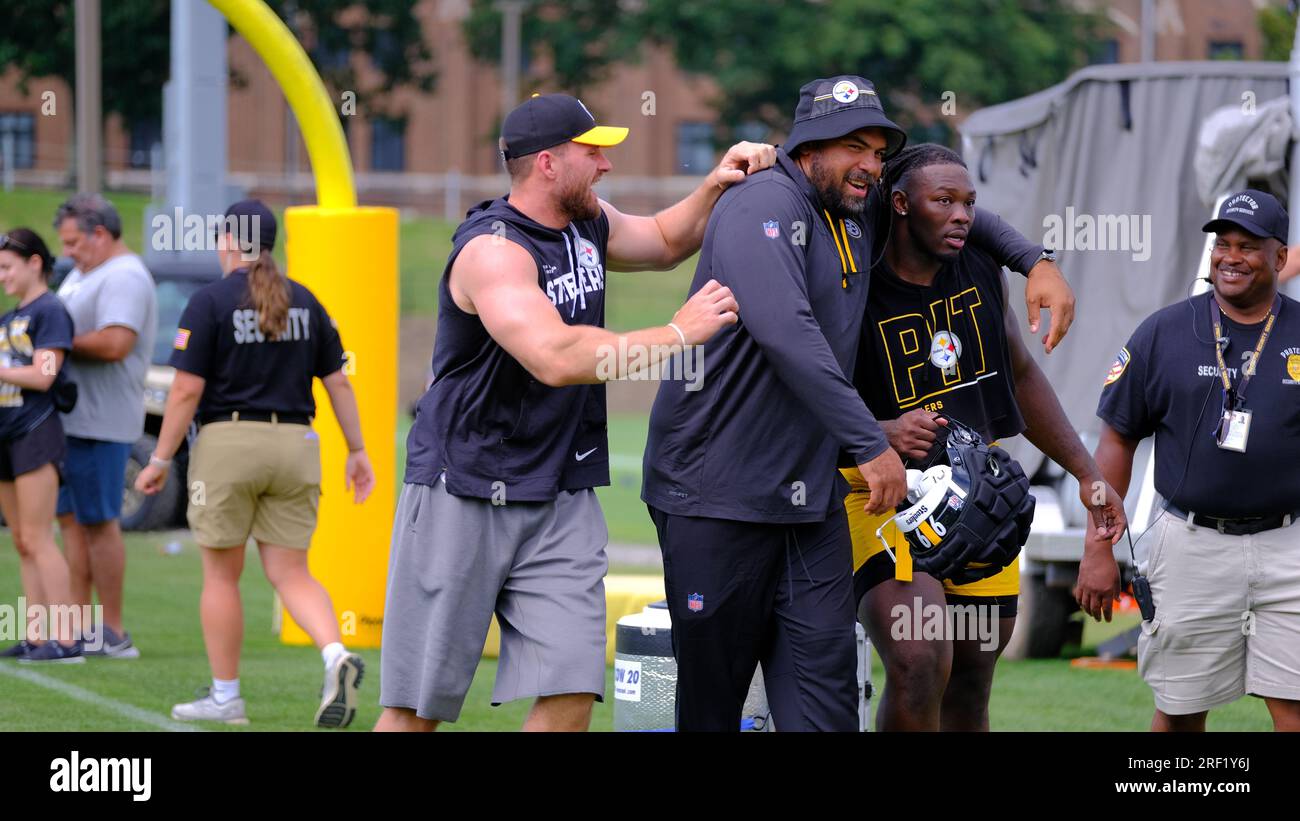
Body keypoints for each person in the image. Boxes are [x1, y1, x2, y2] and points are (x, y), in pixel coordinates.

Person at [640, 77, 1078, 732]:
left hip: (808, 501)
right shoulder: (763, 203)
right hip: (716, 494)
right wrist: (872, 442)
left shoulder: (854, 206)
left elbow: (950, 205)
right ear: (808, 147)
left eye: (878, 151)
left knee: (826, 707)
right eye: (854, 147)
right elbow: (788, 334)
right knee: (713, 704)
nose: (870, 165)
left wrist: (1033, 259)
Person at [375, 93, 767, 732]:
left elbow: (667, 239)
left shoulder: (589, 222)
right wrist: (676, 335)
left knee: (572, 688)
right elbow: (554, 356)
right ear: (548, 164)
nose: (607, 164)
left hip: (560, 491)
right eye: (593, 152)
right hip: (466, 488)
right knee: (417, 710)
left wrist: (716, 184)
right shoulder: (492, 252)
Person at [844, 144, 1125, 731]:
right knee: (921, 658)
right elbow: (811, 387)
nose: (961, 215)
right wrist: (879, 431)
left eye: (969, 203)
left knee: (971, 681)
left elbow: (1020, 376)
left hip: (979, 494)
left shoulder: (978, 266)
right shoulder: (853, 278)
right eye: (942, 202)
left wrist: (1087, 474)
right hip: (882, 493)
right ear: (898, 205)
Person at [135, 200, 375, 728]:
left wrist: (158, 459)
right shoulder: (306, 301)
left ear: (227, 241)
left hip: (229, 444)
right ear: (271, 244)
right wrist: (357, 451)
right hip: (296, 445)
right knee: (291, 572)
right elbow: (338, 382)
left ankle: (227, 698)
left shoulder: (209, 301)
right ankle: (335, 654)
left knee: (221, 576)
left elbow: (184, 392)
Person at [1078, 189, 1300, 732]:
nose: (1230, 256)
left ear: (1279, 257)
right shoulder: (1164, 332)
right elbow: (1115, 443)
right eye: (1222, 244)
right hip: (1191, 545)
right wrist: (1098, 546)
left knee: (1294, 707)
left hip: (1290, 546)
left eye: (1248, 246)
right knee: (1179, 710)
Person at [53, 194, 157, 658]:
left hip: (103, 422)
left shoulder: (127, 275)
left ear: (100, 233)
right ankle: (76, 628)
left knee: (100, 523)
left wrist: (52, 342)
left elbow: (116, 342)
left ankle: (113, 631)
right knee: (72, 523)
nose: (69, 252)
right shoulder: (84, 272)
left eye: (75, 242)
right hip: (72, 420)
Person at [0, 228, 81, 663]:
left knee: (39, 536)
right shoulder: (10, 316)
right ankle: (35, 635)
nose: (1, 276)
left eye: (7, 267)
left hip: (36, 429)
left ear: (35, 263)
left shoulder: (50, 311)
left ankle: (66, 640)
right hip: (7, 433)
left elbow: (44, 375)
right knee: (22, 540)